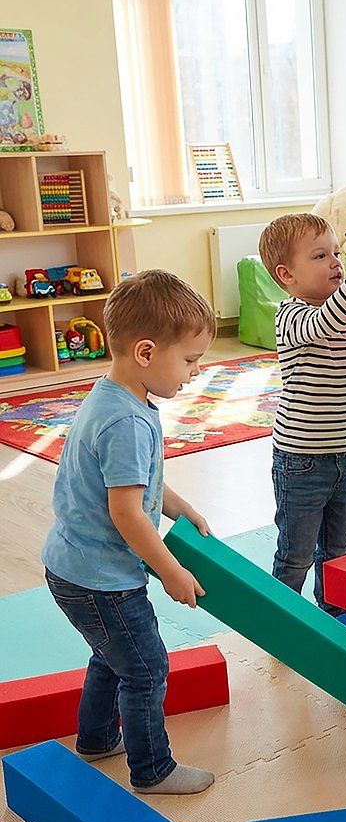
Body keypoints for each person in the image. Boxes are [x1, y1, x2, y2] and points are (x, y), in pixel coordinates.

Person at [41, 270, 217, 794]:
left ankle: (95, 738)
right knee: (146, 668)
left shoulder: (115, 398)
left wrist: (179, 506)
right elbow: (126, 513)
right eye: (188, 361)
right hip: (102, 577)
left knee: (112, 655)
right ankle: (152, 769)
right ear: (145, 352)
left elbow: (137, 486)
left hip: (72, 566)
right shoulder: (125, 423)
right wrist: (171, 571)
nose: (193, 374)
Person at [257, 212, 346, 612]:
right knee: (296, 553)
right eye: (320, 256)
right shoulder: (293, 316)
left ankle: (332, 613)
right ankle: (282, 623)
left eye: (337, 253)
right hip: (301, 462)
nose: (337, 263)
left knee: (339, 547)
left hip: (344, 456)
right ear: (287, 275)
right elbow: (331, 319)